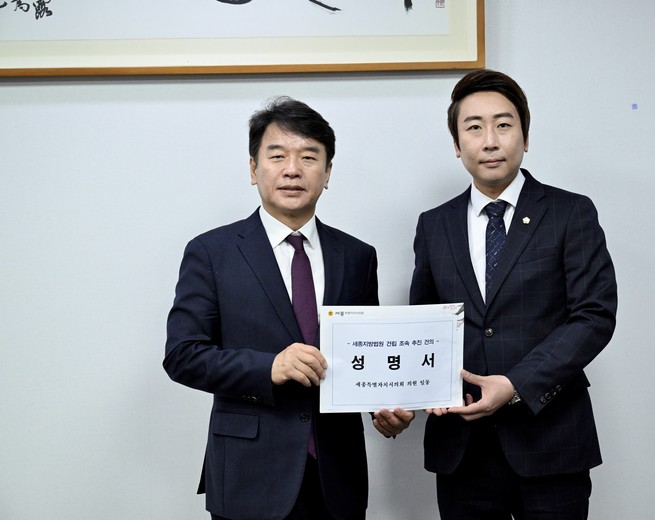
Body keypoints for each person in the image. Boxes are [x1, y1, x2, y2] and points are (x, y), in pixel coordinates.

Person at [164, 97, 414, 520]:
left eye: (309, 157)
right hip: (248, 474)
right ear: (253, 169)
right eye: (277, 156)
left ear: (327, 173)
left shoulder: (357, 256)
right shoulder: (211, 252)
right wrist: (269, 367)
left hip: (337, 477)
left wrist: (383, 407)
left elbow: (364, 354)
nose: (292, 169)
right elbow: (183, 356)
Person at [409, 69, 618, 519]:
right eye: (474, 127)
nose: (490, 141)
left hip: (550, 440)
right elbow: (424, 325)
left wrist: (516, 385)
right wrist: (408, 391)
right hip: (462, 448)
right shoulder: (434, 224)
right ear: (456, 143)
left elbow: (594, 315)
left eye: (503, 125)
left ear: (525, 137)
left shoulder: (570, 212)